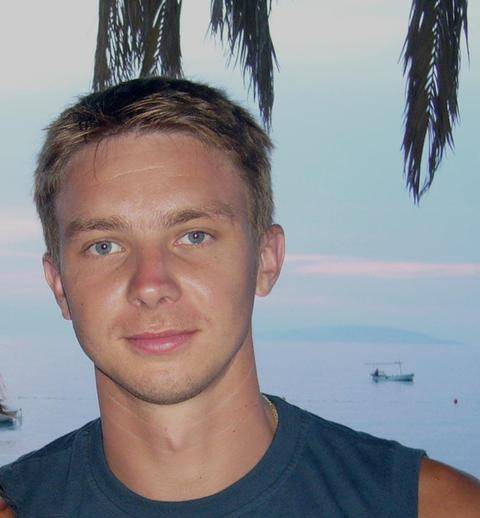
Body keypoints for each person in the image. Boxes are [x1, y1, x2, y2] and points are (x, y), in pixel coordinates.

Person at [0, 78, 479, 517]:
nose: (150, 284)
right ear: (59, 285)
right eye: (104, 246)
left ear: (266, 260)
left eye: (194, 236)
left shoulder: (434, 507)